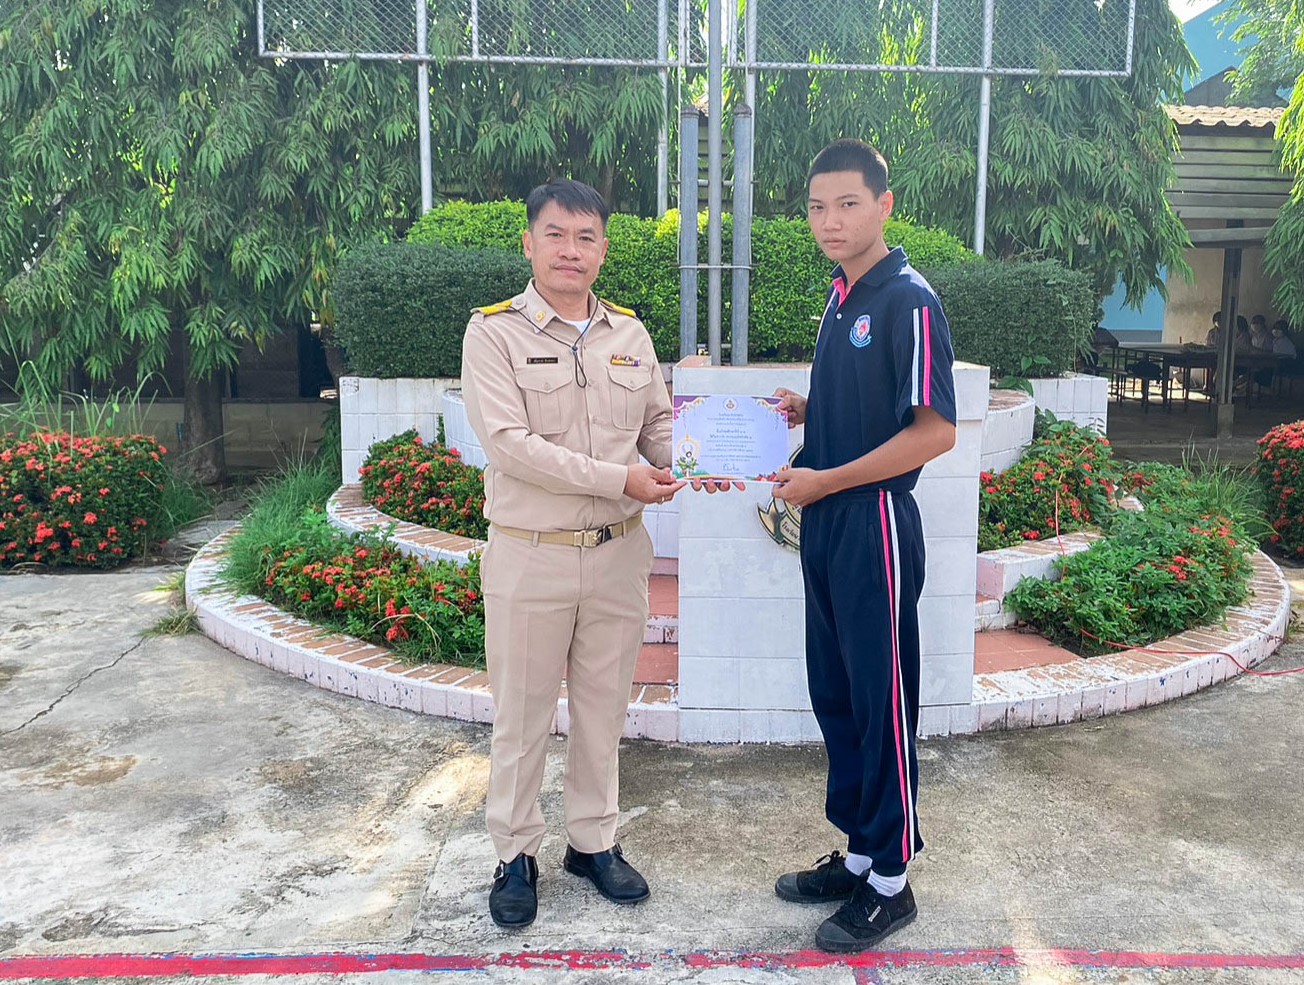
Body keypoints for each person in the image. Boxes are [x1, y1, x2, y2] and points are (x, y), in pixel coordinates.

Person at [460, 179, 684, 930]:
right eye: (555, 234)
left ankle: (593, 843)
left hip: (618, 555)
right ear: (529, 242)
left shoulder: (630, 335)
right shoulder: (493, 334)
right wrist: (622, 479)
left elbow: (658, 428)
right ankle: (515, 853)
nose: (570, 250)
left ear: (603, 249)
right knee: (521, 716)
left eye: (586, 237)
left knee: (602, 710)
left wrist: (704, 456)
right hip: (532, 555)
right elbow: (511, 447)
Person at [768, 139, 957, 953]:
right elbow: (871, 405)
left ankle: (891, 880)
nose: (830, 220)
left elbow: (934, 431)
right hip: (830, 518)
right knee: (836, 691)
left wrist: (829, 478)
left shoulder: (908, 299)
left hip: (874, 521)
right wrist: (810, 410)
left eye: (848, 203)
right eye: (817, 206)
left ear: (884, 204)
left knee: (881, 700)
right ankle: (857, 855)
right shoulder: (841, 295)